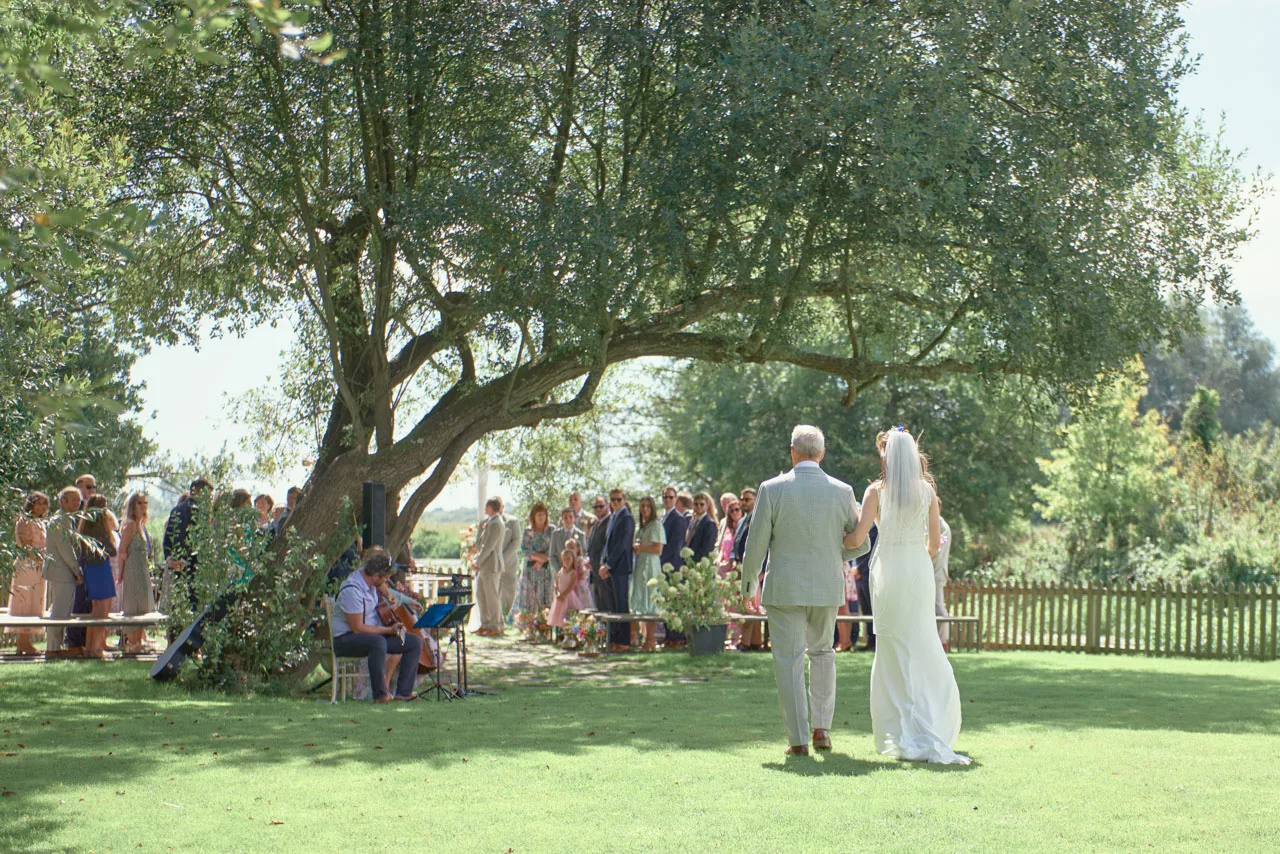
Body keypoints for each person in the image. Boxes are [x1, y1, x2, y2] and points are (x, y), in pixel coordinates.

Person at [844, 428, 970, 765]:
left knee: (893, 646)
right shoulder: (926, 491)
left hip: (889, 571)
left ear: (887, 456)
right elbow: (933, 543)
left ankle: (899, 729)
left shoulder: (875, 492)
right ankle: (930, 721)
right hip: (917, 570)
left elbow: (857, 538)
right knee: (921, 642)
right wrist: (918, 557)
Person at [741, 424, 866, 757]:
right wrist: (832, 553)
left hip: (784, 586)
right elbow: (862, 542)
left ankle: (797, 740)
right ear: (821, 453)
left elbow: (756, 542)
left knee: (789, 661)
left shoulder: (772, 488)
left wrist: (749, 582)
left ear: (792, 451)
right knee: (823, 654)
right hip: (826, 584)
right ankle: (821, 728)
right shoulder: (843, 491)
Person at [331, 548, 423, 702]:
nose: (387, 581)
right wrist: (389, 630)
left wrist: (388, 594)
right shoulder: (352, 591)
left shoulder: (368, 577)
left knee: (414, 642)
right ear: (375, 576)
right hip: (346, 639)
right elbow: (357, 628)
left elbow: (380, 585)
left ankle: (403, 693)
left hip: (370, 635)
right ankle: (381, 696)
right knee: (378, 642)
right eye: (385, 577)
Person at [43, 487, 83, 657]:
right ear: (63, 501)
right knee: (59, 611)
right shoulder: (60, 520)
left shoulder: (67, 519)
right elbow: (65, 548)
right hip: (61, 572)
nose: (77, 503)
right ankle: (52, 649)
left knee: (63, 611)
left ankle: (57, 647)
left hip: (62, 572)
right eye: (73, 499)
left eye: (78, 500)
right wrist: (77, 569)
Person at [7, 492, 49, 655]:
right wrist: (38, 561)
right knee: (25, 600)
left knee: (35, 601)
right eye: (39, 503)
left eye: (45, 504)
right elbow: (25, 545)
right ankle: (23, 642)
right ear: (31, 504)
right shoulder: (24, 521)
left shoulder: (40, 522)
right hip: (28, 565)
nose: (42, 507)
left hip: (39, 566)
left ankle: (25, 642)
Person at [79, 494, 120, 659]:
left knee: (95, 610)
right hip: (100, 568)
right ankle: (96, 649)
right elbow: (112, 550)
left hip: (90, 569)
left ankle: (90, 647)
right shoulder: (100, 529)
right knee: (102, 610)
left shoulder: (85, 527)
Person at [118, 492, 157, 653]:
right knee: (133, 604)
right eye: (139, 503)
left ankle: (140, 640)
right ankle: (132, 642)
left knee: (142, 603)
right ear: (133, 506)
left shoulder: (141, 526)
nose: (143, 506)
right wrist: (120, 574)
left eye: (145, 503)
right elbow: (122, 551)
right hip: (133, 569)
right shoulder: (131, 525)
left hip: (142, 569)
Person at [600, 488, 635, 652]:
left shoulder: (626, 517)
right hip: (610, 567)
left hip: (620, 567)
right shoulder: (613, 517)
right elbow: (608, 544)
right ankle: (614, 639)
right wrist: (604, 563)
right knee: (613, 605)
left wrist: (609, 565)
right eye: (612, 500)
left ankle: (624, 641)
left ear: (624, 499)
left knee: (621, 605)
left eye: (618, 500)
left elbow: (622, 545)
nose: (615, 503)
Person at [630, 496, 665, 652]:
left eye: (647, 506)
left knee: (651, 601)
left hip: (651, 565)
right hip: (640, 566)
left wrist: (641, 548)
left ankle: (651, 639)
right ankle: (643, 638)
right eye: (642, 506)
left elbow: (658, 549)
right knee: (641, 600)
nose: (644, 509)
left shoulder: (656, 525)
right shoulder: (640, 526)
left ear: (652, 508)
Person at [733, 487, 765, 651]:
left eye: (747, 500)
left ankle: (745, 642)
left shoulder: (759, 518)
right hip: (740, 567)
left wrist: (762, 570)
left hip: (755, 568)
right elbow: (737, 544)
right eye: (742, 499)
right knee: (746, 603)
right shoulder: (741, 521)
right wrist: (733, 560)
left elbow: (762, 546)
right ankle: (755, 642)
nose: (743, 502)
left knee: (751, 604)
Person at [658, 488, 690, 647]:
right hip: (663, 566)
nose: (667, 500)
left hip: (673, 565)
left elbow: (674, 544)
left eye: (670, 497)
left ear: (676, 499)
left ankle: (678, 636)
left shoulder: (678, 518)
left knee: (675, 602)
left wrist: (661, 559)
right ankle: (669, 635)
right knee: (666, 601)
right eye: (664, 497)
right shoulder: (662, 517)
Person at [471, 497, 506, 636]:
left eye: (487, 506)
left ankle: (495, 625)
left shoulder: (496, 523)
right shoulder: (490, 522)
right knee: (481, 594)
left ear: (491, 507)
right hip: (485, 566)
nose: (485, 509)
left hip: (492, 565)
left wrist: (477, 561)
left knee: (491, 596)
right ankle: (485, 623)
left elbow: (488, 547)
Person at [512, 503, 553, 619]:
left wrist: (543, 560)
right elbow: (525, 549)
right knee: (529, 599)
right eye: (539, 514)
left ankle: (544, 624)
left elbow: (553, 549)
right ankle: (528, 625)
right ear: (533, 516)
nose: (541, 517)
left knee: (546, 599)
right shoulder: (528, 531)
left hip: (546, 570)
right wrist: (538, 558)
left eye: (544, 514)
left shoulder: (551, 530)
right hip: (530, 570)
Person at [585, 496, 614, 615]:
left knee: (608, 609)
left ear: (608, 505)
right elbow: (591, 547)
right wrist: (588, 560)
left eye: (601, 506)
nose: (598, 509)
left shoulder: (610, 523)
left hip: (605, 573)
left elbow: (608, 547)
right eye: (595, 507)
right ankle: (602, 633)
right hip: (594, 574)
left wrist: (599, 565)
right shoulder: (595, 525)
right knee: (599, 608)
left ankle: (611, 633)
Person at [548, 547, 587, 628]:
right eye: (564, 559)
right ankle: (559, 631)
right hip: (559, 596)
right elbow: (556, 583)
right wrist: (557, 593)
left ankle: (569, 629)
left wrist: (563, 594)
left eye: (568, 559)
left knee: (568, 612)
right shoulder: (560, 571)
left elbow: (571, 586)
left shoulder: (573, 572)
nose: (566, 561)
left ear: (573, 559)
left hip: (568, 595)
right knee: (558, 614)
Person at [499, 501, 521, 619]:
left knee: (511, 591)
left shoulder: (512, 521)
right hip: (493, 565)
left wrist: (502, 558)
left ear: (502, 507)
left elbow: (516, 541)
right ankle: (498, 617)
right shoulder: (487, 522)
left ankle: (512, 617)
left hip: (509, 563)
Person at [934, 516, 953, 650]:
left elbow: (937, 551)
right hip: (932, 572)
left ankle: (943, 640)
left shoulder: (942, 527)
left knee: (939, 607)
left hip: (937, 573)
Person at [686, 491, 718, 563]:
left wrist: (694, 564)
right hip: (688, 563)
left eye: (701, 504)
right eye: (696, 504)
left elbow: (707, 549)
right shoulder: (692, 522)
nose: (698, 506)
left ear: (707, 506)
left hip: (700, 566)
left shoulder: (710, 523)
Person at [716, 495, 741, 577]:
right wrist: (718, 561)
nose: (734, 512)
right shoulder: (728, 528)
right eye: (731, 511)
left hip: (735, 567)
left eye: (737, 510)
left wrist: (729, 564)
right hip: (722, 568)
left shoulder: (746, 528)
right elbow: (722, 548)